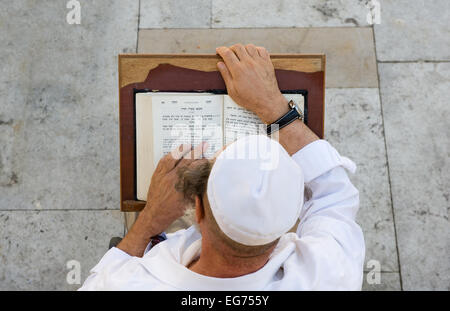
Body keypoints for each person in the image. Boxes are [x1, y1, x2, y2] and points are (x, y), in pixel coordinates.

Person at [79, 44, 365, 290]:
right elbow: (332, 193)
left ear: (199, 210)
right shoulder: (330, 273)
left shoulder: (122, 284)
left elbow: (104, 275)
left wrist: (149, 221)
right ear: (289, 224)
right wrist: (274, 107)